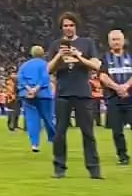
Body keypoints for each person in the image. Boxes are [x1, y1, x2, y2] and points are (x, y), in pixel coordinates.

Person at [47, 12, 101, 179]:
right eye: (65, 26)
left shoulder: (87, 43)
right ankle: (59, 168)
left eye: (71, 25)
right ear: (61, 28)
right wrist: (59, 55)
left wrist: (78, 56)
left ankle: (94, 169)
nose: (68, 28)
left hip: (82, 93)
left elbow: (95, 66)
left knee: (88, 133)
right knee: (59, 133)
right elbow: (48, 69)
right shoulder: (56, 45)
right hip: (63, 93)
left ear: (75, 26)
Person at [99, 29, 132, 166]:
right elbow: (102, 76)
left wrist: (126, 86)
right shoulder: (105, 58)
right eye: (113, 39)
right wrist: (117, 87)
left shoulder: (130, 56)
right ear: (109, 42)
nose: (116, 42)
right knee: (117, 131)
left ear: (123, 41)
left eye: (118, 39)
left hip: (130, 98)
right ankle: (122, 155)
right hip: (113, 99)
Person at [17, 46, 55, 153]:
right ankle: (53, 138)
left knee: (32, 119)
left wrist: (29, 88)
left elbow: (20, 78)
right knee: (48, 117)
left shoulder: (24, 65)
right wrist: (36, 88)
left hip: (27, 94)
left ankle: (34, 144)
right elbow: (45, 77)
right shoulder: (45, 64)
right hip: (43, 94)